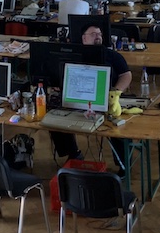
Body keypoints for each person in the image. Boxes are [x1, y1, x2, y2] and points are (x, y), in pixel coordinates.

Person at [48, 23, 133, 162]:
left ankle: (124, 164)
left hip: (107, 100)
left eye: (100, 34)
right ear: (84, 38)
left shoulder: (112, 55)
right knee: (54, 117)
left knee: (119, 126)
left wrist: (116, 93)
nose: (98, 37)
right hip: (77, 97)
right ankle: (73, 154)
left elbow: (126, 75)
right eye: (93, 34)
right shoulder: (73, 55)